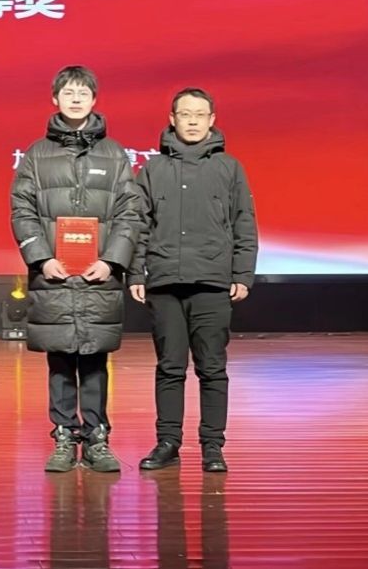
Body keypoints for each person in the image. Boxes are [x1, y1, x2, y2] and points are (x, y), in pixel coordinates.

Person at [10, 65, 141, 473]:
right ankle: (64, 436)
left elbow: (130, 211)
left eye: (83, 92)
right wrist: (41, 257)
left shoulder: (114, 154)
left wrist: (111, 260)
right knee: (61, 359)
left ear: (94, 99)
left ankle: (97, 438)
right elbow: (22, 210)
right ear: (55, 99)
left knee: (96, 358)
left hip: (99, 275)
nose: (76, 98)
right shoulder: (36, 155)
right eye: (68, 92)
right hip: (54, 274)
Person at [130, 87, 258, 474]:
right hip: (165, 281)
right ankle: (168, 442)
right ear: (172, 119)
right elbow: (138, 225)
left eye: (199, 115)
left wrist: (242, 272)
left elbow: (244, 222)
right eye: (184, 114)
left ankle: (212, 445)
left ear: (212, 120)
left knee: (212, 368)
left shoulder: (229, 168)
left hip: (213, 281)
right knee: (170, 367)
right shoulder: (152, 169)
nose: (192, 121)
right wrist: (136, 270)